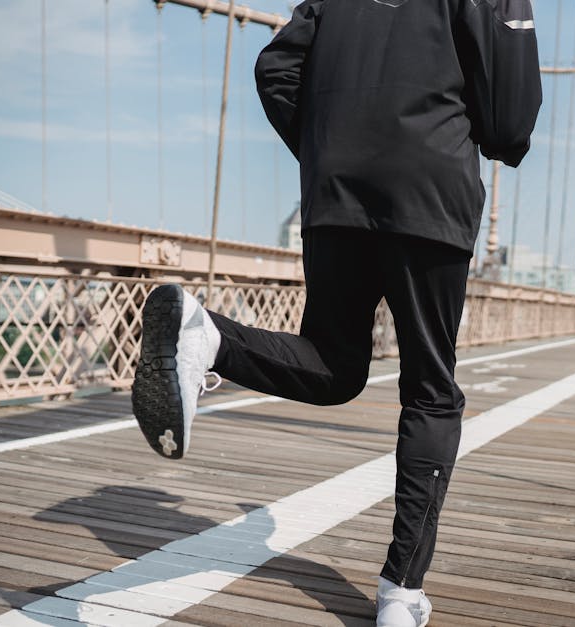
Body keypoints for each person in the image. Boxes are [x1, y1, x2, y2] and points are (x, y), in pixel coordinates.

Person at [131, 2, 541, 626]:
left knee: (334, 364)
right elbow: (510, 119)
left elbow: (276, 68)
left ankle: (207, 336)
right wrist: (461, 136)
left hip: (335, 192)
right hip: (429, 191)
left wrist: (331, 143)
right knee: (432, 393)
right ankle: (401, 594)